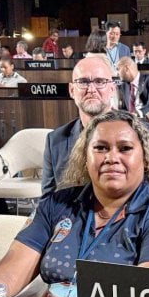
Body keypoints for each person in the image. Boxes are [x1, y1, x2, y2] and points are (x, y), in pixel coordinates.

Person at [0, 110, 149, 297]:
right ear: (85, 157)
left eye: (125, 148)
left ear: (146, 158)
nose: (111, 157)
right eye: (100, 148)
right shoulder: (57, 204)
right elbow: (8, 272)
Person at [42, 56, 117, 194]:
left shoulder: (135, 133)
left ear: (112, 89)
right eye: (83, 82)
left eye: (100, 81)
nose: (91, 89)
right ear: (71, 90)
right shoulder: (55, 140)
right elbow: (48, 199)